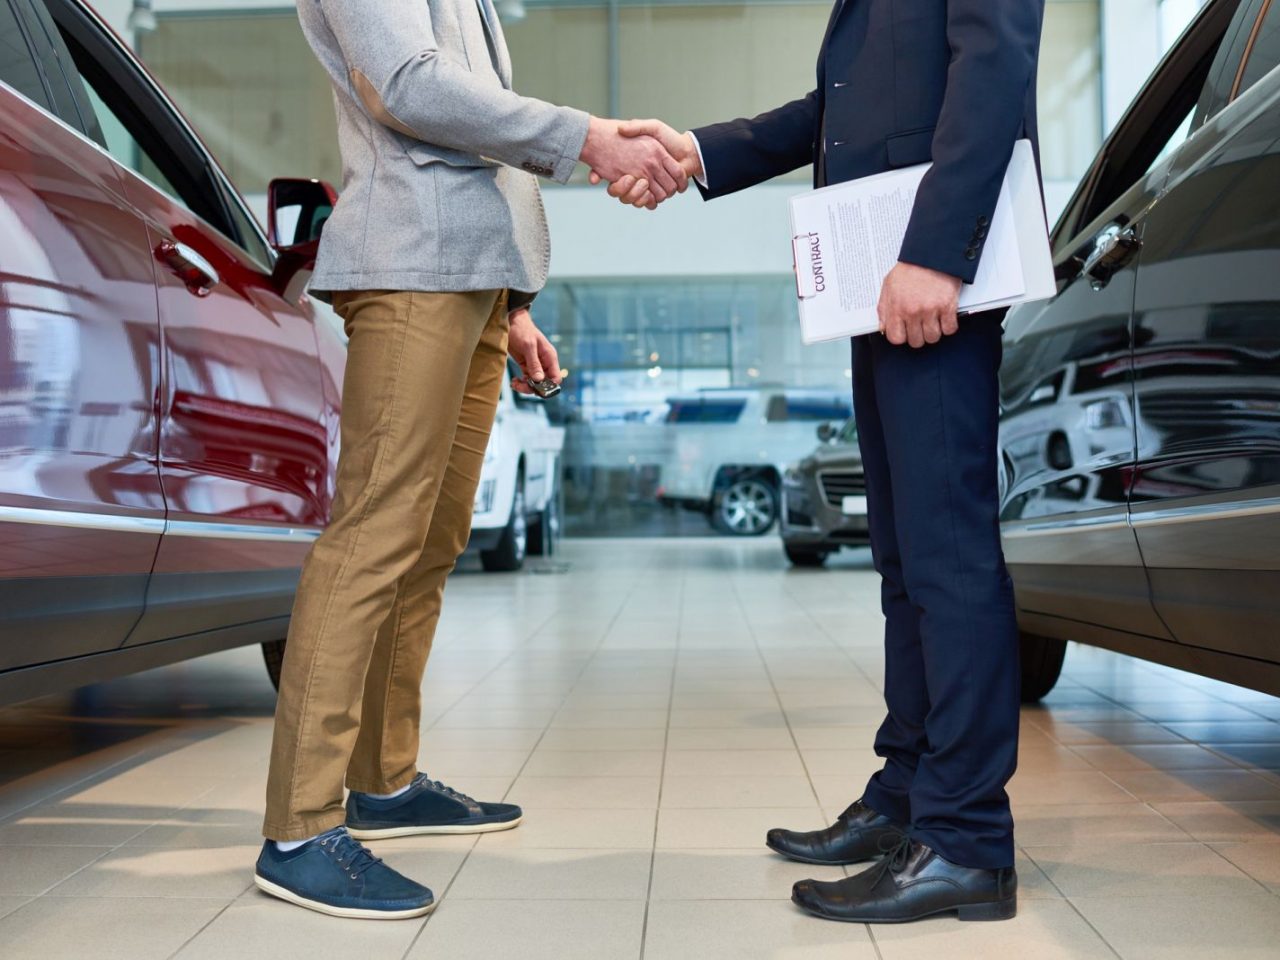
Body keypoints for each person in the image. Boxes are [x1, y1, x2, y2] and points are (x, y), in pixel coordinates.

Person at [599, 0, 1045, 925]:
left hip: (928, 273)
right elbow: (847, 100)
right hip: (881, 271)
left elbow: (995, 64)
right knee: (903, 556)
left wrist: (935, 252)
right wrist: (700, 152)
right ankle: (909, 801)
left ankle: (965, 840)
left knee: (947, 555)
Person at [253, 0, 687, 920]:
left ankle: (383, 778)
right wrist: (587, 139)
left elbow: (473, 118)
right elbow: (410, 87)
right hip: (412, 266)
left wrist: (514, 306)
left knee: (433, 539)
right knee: (373, 537)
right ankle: (297, 828)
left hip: (474, 281)